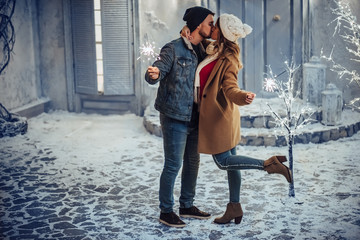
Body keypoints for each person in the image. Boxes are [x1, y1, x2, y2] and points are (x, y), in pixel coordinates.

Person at [193, 14, 293, 225]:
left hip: (218, 116)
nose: (212, 28)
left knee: (223, 161)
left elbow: (230, 87)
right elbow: (199, 42)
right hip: (222, 116)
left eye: (215, 25)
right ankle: (234, 208)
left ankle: (268, 164)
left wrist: (242, 96)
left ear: (222, 31)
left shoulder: (227, 58)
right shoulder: (214, 49)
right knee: (232, 165)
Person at [145, 6, 215, 228]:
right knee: (173, 164)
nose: (212, 26)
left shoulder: (203, 50)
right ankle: (166, 211)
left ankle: (187, 205)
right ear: (197, 25)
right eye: (210, 23)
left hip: (196, 116)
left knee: (193, 163)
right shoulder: (173, 49)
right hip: (175, 116)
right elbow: (158, 69)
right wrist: (153, 74)